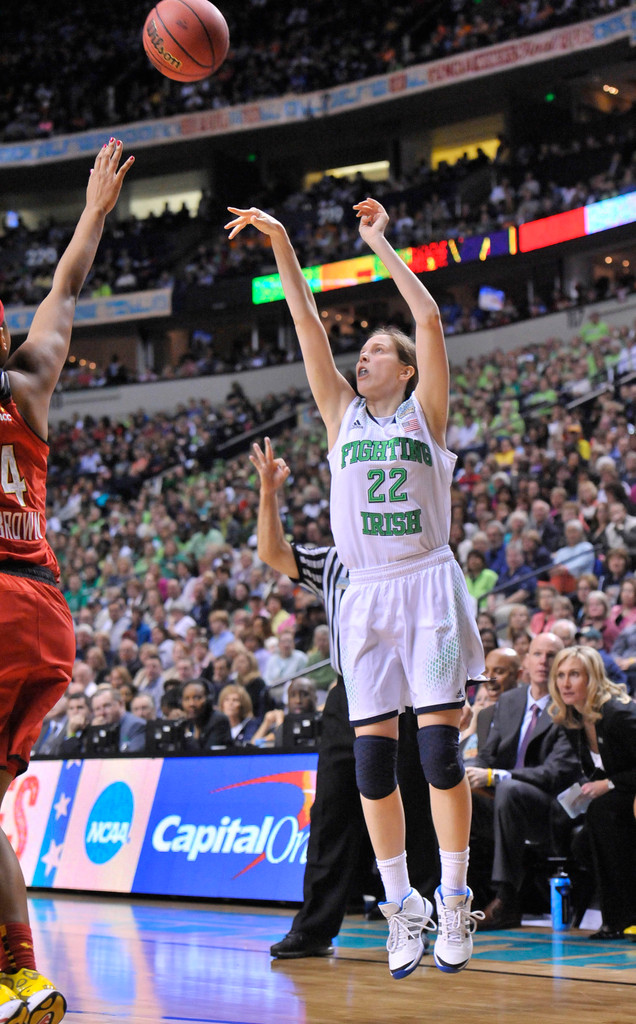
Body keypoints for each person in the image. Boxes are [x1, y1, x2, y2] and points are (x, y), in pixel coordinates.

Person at [226, 196, 485, 977]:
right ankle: (403, 904)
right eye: (363, 351)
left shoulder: (423, 416)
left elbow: (432, 321)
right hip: (367, 596)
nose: (364, 357)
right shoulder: (340, 415)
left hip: (427, 583)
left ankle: (455, 900)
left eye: (378, 351)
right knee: (373, 766)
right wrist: (280, 243)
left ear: (404, 371)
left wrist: (379, 243)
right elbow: (307, 321)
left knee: (439, 752)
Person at [0, 137, 133, 1024]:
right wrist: (91, 215)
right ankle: (20, 977)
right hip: (44, 614)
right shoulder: (28, 384)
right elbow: (66, 291)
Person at [250, 438, 438, 962]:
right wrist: (269, 493)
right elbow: (273, 553)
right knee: (331, 811)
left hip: (406, 695)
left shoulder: (414, 550)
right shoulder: (334, 562)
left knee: (414, 810)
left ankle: (419, 918)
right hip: (348, 696)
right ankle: (314, 928)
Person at [465, 633, 581, 926]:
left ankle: (506, 900)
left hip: (548, 806)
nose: (543, 661)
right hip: (504, 800)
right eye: (537, 654)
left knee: (509, 789)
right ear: (526, 660)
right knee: (455, 788)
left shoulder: (568, 703)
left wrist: (495, 776)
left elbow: (556, 773)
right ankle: (455, 893)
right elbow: (488, 755)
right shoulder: (510, 700)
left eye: (551, 655)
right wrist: (468, 773)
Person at [548, 645, 636, 939]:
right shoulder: (573, 719)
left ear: (593, 678)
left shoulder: (618, 713)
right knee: (577, 837)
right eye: (560, 675)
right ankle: (608, 914)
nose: (565, 683)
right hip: (619, 794)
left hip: (627, 792)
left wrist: (608, 785)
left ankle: (618, 919)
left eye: (575, 674)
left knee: (602, 813)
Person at [88, 685, 147, 753]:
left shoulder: (136, 726)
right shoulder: (96, 728)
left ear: (121, 704)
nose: (102, 713)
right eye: (97, 709)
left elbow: (132, 759)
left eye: (106, 706)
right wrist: (95, 732)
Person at [181, 679, 232, 750]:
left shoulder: (219, 721)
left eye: (197, 698)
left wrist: (188, 736)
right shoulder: (185, 722)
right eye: (187, 699)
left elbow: (208, 756)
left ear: (209, 699)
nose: (191, 704)